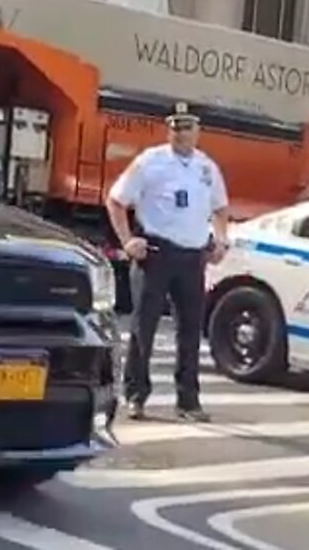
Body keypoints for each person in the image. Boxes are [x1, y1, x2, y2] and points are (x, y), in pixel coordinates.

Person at [106, 103, 230, 423]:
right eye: (176, 128)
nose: (181, 134)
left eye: (187, 128)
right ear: (168, 130)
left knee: (190, 331)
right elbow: (116, 200)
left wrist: (221, 238)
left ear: (198, 131)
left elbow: (220, 208)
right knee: (142, 328)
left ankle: (188, 400)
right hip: (157, 254)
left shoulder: (206, 168)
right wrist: (127, 241)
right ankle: (136, 395)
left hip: (192, 257)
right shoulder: (151, 162)